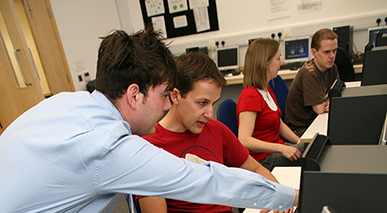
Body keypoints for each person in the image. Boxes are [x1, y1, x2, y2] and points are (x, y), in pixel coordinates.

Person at [0, 26, 298, 212]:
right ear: (134, 95)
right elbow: (203, 180)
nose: (168, 103)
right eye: (165, 94)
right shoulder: (109, 147)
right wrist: (291, 197)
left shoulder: (66, 103)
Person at [135, 51, 293, 213]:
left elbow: (255, 169)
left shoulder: (216, 130)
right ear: (175, 96)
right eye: (202, 103)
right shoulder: (150, 150)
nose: (210, 114)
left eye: (213, 104)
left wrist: (278, 196)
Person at [237, 38, 303, 172]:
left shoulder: (266, 89)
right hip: (263, 160)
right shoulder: (250, 95)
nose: (281, 63)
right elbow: (244, 140)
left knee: (310, 148)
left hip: (275, 150)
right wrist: (282, 148)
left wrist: (300, 141)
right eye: (278, 59)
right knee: (311, 155)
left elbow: (279, 124)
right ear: (266, 63)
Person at [285, 28, 340, 136]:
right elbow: (320, 109)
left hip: (315, 121)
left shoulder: (331, 67)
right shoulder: (309, 74)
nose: (332, 56)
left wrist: (329, 100)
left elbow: (336, 93)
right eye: (327, 52)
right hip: (300, 129)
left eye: (334, 51)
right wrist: (330, 101)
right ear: (314, 52)